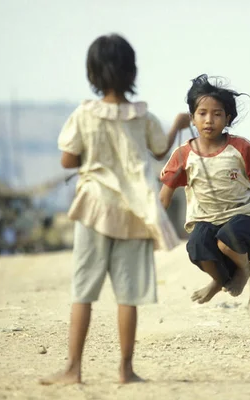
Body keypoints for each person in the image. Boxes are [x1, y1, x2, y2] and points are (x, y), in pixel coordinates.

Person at [40, 33, 190, 385]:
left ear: (93, 73)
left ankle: (73, 370)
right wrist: (177, 126)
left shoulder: (84, 114)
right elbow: (158, 150)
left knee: (83, 290)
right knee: (129, 294)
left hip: (94, 206)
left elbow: (67, 159)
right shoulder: (143, 116)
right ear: (132, 71)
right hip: (135, 211)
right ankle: (125, 370)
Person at [159, 74, 250, 304]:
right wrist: (150, 228)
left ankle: (243, 270)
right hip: (206, 219)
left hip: (244, 214)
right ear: (192, 118)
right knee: (196, 246)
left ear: (228, 118)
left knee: (226, 240)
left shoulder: (240, 147)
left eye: (217, 114)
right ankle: (219, 280)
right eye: (202, 113)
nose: (209, 120)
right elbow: (164, 198)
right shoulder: (184, 155)